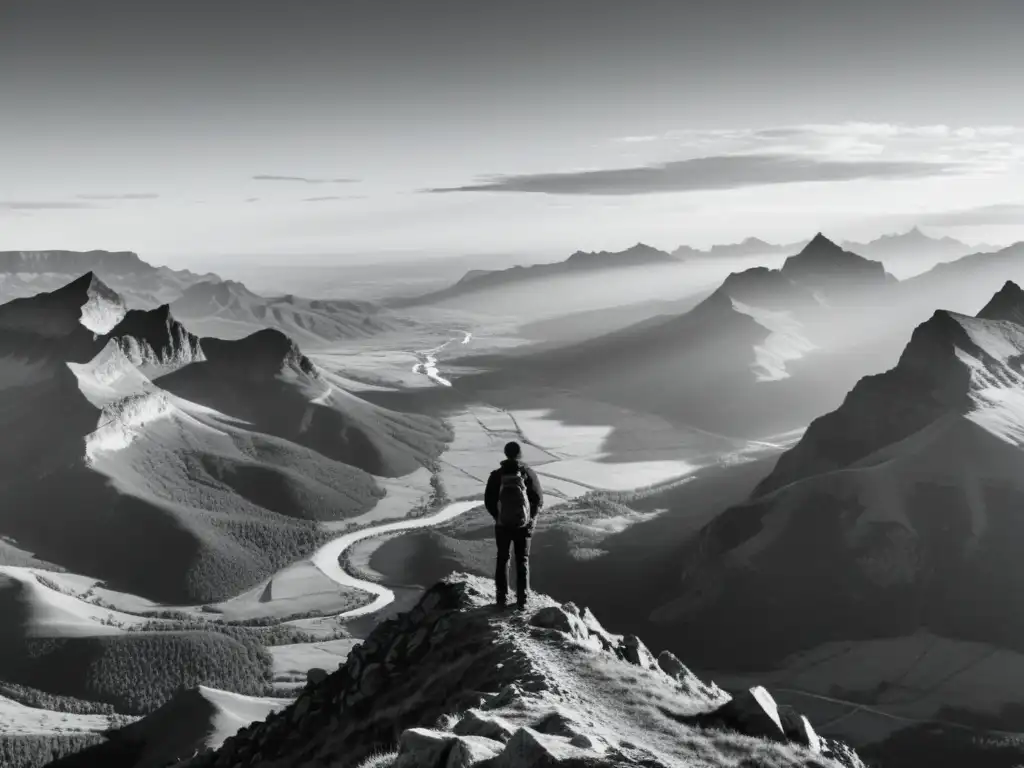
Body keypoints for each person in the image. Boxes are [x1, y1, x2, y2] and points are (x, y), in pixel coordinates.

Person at [484, 440, 543, 609]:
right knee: (522, 560)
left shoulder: (496, 476)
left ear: (505, 453)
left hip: (502, 526)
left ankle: (501, 598)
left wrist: (499, 517)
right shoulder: (528, 474)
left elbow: (489, 501)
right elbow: (538, 500)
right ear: (519, 454)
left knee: (503, 558)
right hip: (523, 526)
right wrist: (529, 519)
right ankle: (522, 600)